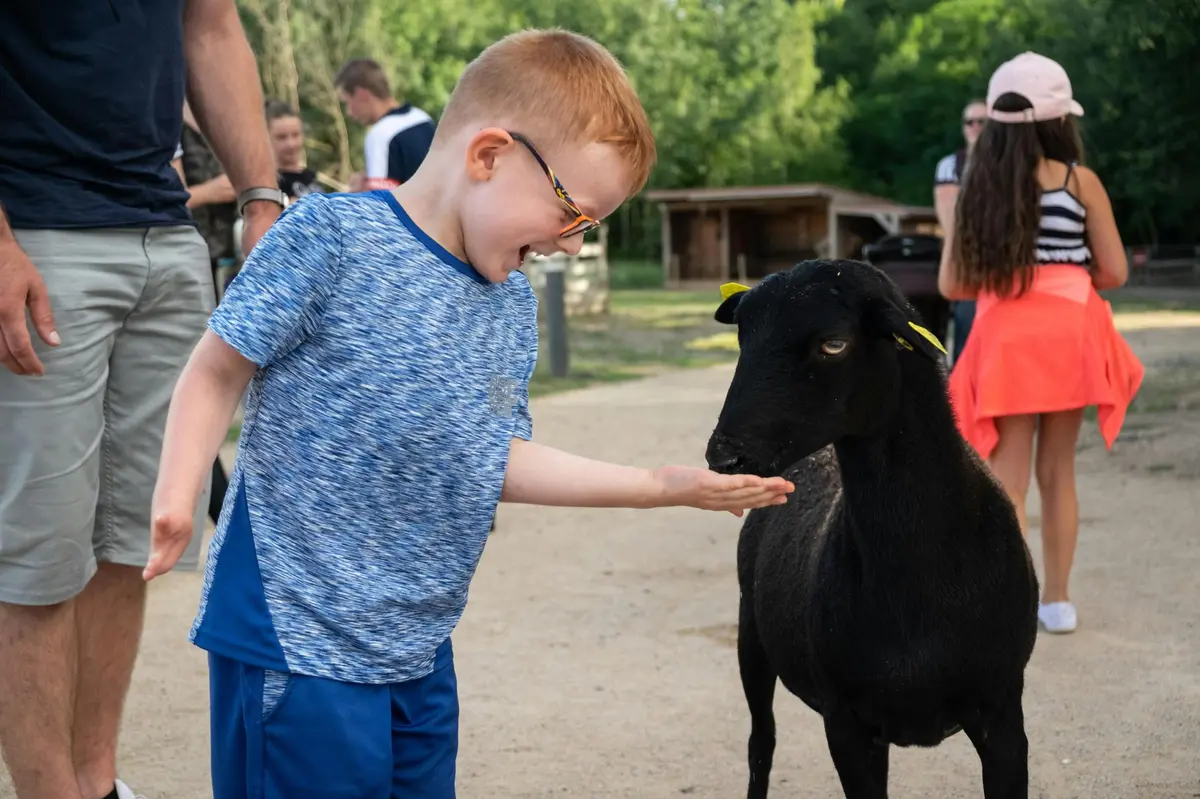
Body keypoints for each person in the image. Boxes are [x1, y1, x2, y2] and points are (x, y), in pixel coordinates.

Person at [142, 29, 795, 798]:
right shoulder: (328, 238)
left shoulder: (510, 305)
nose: (574, 246)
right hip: (298, 634)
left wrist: (659, 483)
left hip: (417, 643)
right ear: (488, 155)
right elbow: (216, 368)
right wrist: (179, 493)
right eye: (574, 215)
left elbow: (492, 458)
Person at [0, 2, 285, 798]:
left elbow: (210, 23)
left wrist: (261, 196)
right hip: (37, 231)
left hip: (162, 231)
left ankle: (96, 782)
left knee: (132, 539)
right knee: (37, 556)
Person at [939, 51, 1144, 635]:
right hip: (1070, 334)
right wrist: (1066, 274)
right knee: (1059, 473)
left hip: (1007, 340)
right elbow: (1115, 272)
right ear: (1061, 121)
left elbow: (954, 283)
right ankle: (1056, 602)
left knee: (1007, 478)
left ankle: (1010, 603)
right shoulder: (1082, 182)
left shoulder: (976, 184)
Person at [934, 98, 988, 364]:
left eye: (982, 121)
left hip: (1009, 261)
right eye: (970, 121)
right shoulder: (950, 166)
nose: (975, 126)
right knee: (967, 338)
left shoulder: (1012, 164)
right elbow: (950, 222)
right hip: (970, 261)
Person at [334, 57, 437, 191]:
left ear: (361, 94)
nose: (349, 112)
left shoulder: (380, 135)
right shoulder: (423, 118)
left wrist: (357, 193)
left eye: (348, 102)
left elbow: (380, 204)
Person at [264, 99, 325, 200]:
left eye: (295, 135)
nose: (291, 144)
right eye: (281, 137)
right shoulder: (269, 186)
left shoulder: (310, 178)